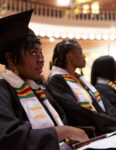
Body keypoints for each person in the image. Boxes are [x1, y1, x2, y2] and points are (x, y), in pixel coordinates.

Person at [0, 10, 89, 150]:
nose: (41, 60)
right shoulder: (3, 91)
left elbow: (61, 119)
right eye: (33, 53)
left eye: (40, 53)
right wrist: (65, 132)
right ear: (11, 58)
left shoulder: (37, 89)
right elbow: (10, 138)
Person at [46, 40, 116, 137]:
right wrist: (115, 121)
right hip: (90, 133)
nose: (84, 56)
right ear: (69, 56)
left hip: (105, 127)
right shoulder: (57, 80)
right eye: (80, 52)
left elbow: (103, 103)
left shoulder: (79, 79)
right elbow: (77, 110)